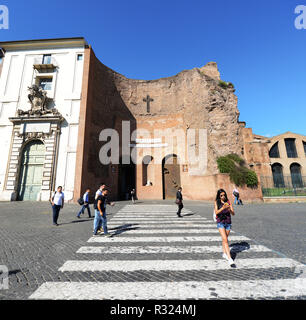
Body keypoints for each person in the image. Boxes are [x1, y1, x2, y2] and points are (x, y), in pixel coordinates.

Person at [214, 189, 236, 267]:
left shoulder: (228, 202)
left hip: (228, 222)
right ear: (219, 196)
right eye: (221, 195)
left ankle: (224, 253)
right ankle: (230, 259)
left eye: (224, 195)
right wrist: (223, 208)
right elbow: (216, 212)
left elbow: (233, 214)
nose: (223, 197)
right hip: (220, 222)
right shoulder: (216, 202)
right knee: (225, 240)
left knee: (225, 239)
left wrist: (229, 209)